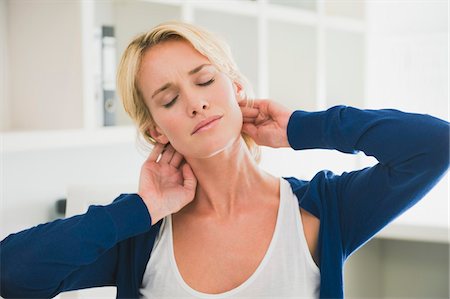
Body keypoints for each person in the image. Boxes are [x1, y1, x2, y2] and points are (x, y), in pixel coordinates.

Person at [1, 20, 449, 299]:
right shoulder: (143, 233)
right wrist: (138, 210)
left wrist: (302, 128)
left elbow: (434, 145)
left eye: (205, 80)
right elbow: (12, 273)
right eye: (170, 99)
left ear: (236, 88)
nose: (195, 103)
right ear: (157, 130)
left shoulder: (322, 210)